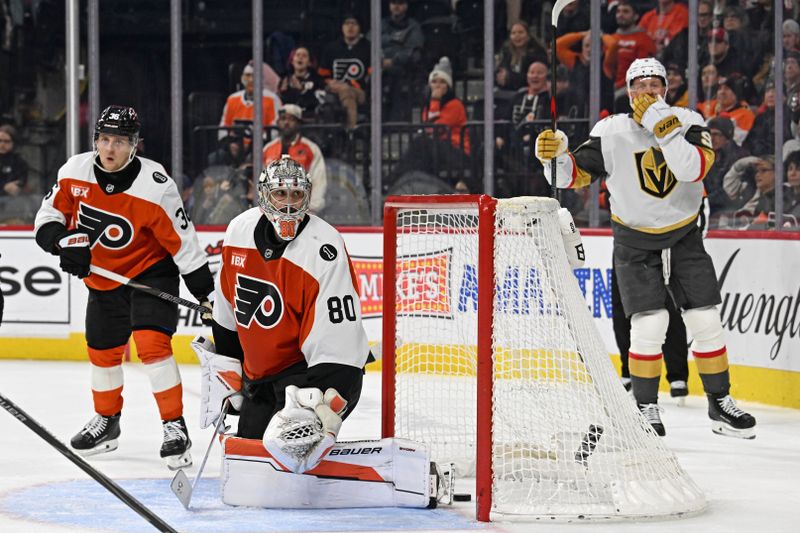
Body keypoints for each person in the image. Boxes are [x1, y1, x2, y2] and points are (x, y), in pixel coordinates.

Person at [534, 58, 756, 439]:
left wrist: (662, 125)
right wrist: (550, 158)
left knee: (706, 320)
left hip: (685, 233)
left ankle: (719, 401)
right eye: (640, 85)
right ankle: (644, 406)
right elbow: (569, 176)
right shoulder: (612, 130)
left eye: (655, 85)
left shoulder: (689, 122)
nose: (647, 92)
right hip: (634, 238)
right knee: (650, 324)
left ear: (666, 90)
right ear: (629, 90)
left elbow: (691, 170)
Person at [33, 105, 215, 468]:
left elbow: (184, 243)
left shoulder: (156, 184)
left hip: (150, 273)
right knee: (102, 351)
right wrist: (62, 242)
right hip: (103, 278)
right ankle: (107, 422)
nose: (109, 148)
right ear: (95, 140)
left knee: (152, 345)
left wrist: (206, 295)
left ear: (135, 145)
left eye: (119, 140)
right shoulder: (74, 172)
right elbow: (48, 218)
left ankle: (173, 426)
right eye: (104, 139)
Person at [262, 104, 327, 213]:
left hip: (303, 212)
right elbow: (261, 181)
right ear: (278, 122)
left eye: (291, 119)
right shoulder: (268, 149)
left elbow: (318, 180)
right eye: (283, 119)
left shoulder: (310, 149)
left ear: (299, 123)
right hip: (272, 212)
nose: (286, 123)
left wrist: (311, 209)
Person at [372, 0, 424, 121]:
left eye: (400, 3)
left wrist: (393, 61)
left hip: (403, 71)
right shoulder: (380, 24)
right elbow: (368, 43)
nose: (396, 7)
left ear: (406, 6)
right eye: (393, 3)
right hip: (380, 70)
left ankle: (396, 122)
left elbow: (414, 51)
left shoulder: (413, 26)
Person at [319, 13, 371, 129]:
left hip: (359, 91)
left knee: (347, 91)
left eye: (354, 24)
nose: (350, 27)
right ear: (342, 27)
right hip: (334, 89)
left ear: (360, 28)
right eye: (347, 24)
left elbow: (372, 75)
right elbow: (322, 75)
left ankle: (351, 129)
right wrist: (330, 83)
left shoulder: (368, 47)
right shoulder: (331, 48)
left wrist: (352, 85)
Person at [219, 60, 282, 137]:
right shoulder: (232, 99)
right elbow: (223, 127)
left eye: (254, 76)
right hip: (235, 145)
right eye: (248, 75)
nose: (251, 80)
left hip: (263, 145)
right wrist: (230, 142)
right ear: (242, 78)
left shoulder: (272, 99)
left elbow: (275, 129)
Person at [495, 21, 548, 91]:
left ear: (528, 36)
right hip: (508, 90)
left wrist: (508, 78)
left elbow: (531, 79)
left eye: (520, 32)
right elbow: (499, 71)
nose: (517, 36)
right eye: (513, 33)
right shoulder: (507, 53)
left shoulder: (537, 54)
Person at [278, 46, 327, 121]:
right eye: (297, 55)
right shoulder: (285, 80)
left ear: (310, 63)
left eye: (304, 56)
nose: (300, 58)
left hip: (310, 119)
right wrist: (283, 93)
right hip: (289, 119)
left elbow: (319, 103)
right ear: (292, 61)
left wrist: (301, 91)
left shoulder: (318, 80)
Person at [0, 125, 28, 197]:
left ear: (13, 142)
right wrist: (4, 187)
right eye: (0, 141)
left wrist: (17, 185)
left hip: (12, 201)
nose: (2, 144)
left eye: (6, 141)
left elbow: (22, 181)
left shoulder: (19, 162)